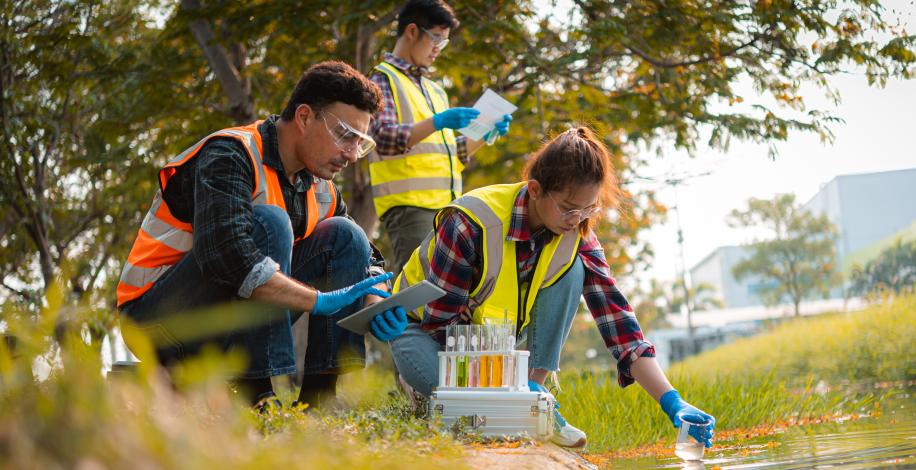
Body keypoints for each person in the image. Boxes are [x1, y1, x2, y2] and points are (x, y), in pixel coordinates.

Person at [389, 128, 715, 448]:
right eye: (569, 208)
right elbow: (441, 326)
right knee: (465, 398)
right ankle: (508, 405)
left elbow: (619, 323)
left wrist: (672, 401)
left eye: (589, 209)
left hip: (493, 345)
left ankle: (533, 396)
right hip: (423, 333)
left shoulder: (577, 237)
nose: (576, 219)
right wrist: (511, 386)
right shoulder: (471, 221)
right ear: (534, 189)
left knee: (575, 270)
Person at [116, 61, 408, 408]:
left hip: (226, 323)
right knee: (271, 222)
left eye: (359, 144)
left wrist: (375, 299)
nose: (350, 155)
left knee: (345, 235)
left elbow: (369, 256)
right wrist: (317, 300)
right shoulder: (229, 154)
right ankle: (256, 395)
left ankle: (320, 401)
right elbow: (226, 256)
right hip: (159, 324)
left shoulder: (320, 186)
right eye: (345, 136)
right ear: (303, 118)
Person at [368, 0, 512, 274]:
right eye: (436, 39)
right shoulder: (383, 79)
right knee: (416, 287)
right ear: (412, 31)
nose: (438, 49)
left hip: (448, 208)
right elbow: (383, 138)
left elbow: (453, 154)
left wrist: (487, 131)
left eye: (443, 42)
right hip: (410, 208)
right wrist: (437, 121)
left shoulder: (435, 91)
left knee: (448, 287)